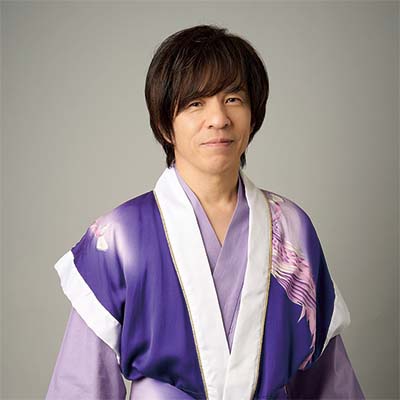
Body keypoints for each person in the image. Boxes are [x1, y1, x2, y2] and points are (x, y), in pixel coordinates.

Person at [46, 24, 365, 399]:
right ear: (165, 124)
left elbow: (329, 383)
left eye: (233, 99)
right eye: (196, 103)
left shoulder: (291, 227)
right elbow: (82, 384)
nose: (219, 118)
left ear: (253, 115)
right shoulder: (119, 235)